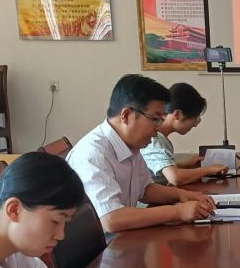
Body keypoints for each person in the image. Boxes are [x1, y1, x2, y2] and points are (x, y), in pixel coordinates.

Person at [67, 74, 213, 233]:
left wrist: (180, 194)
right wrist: (178, 211)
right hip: (104, 244)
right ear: (126, 115)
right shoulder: (93, 155)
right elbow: (111, 220)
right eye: (155, 119)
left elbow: (145, 189)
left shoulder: (131, 145)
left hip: (124, 236)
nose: (158, 127)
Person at [140, 83, 227, 185]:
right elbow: (175, 178)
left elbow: (161, 169)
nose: (195, 125)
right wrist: (208, 170)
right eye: (195, 118)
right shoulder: (154, 140)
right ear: (177, 114)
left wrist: (185, 165)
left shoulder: (160, 138)